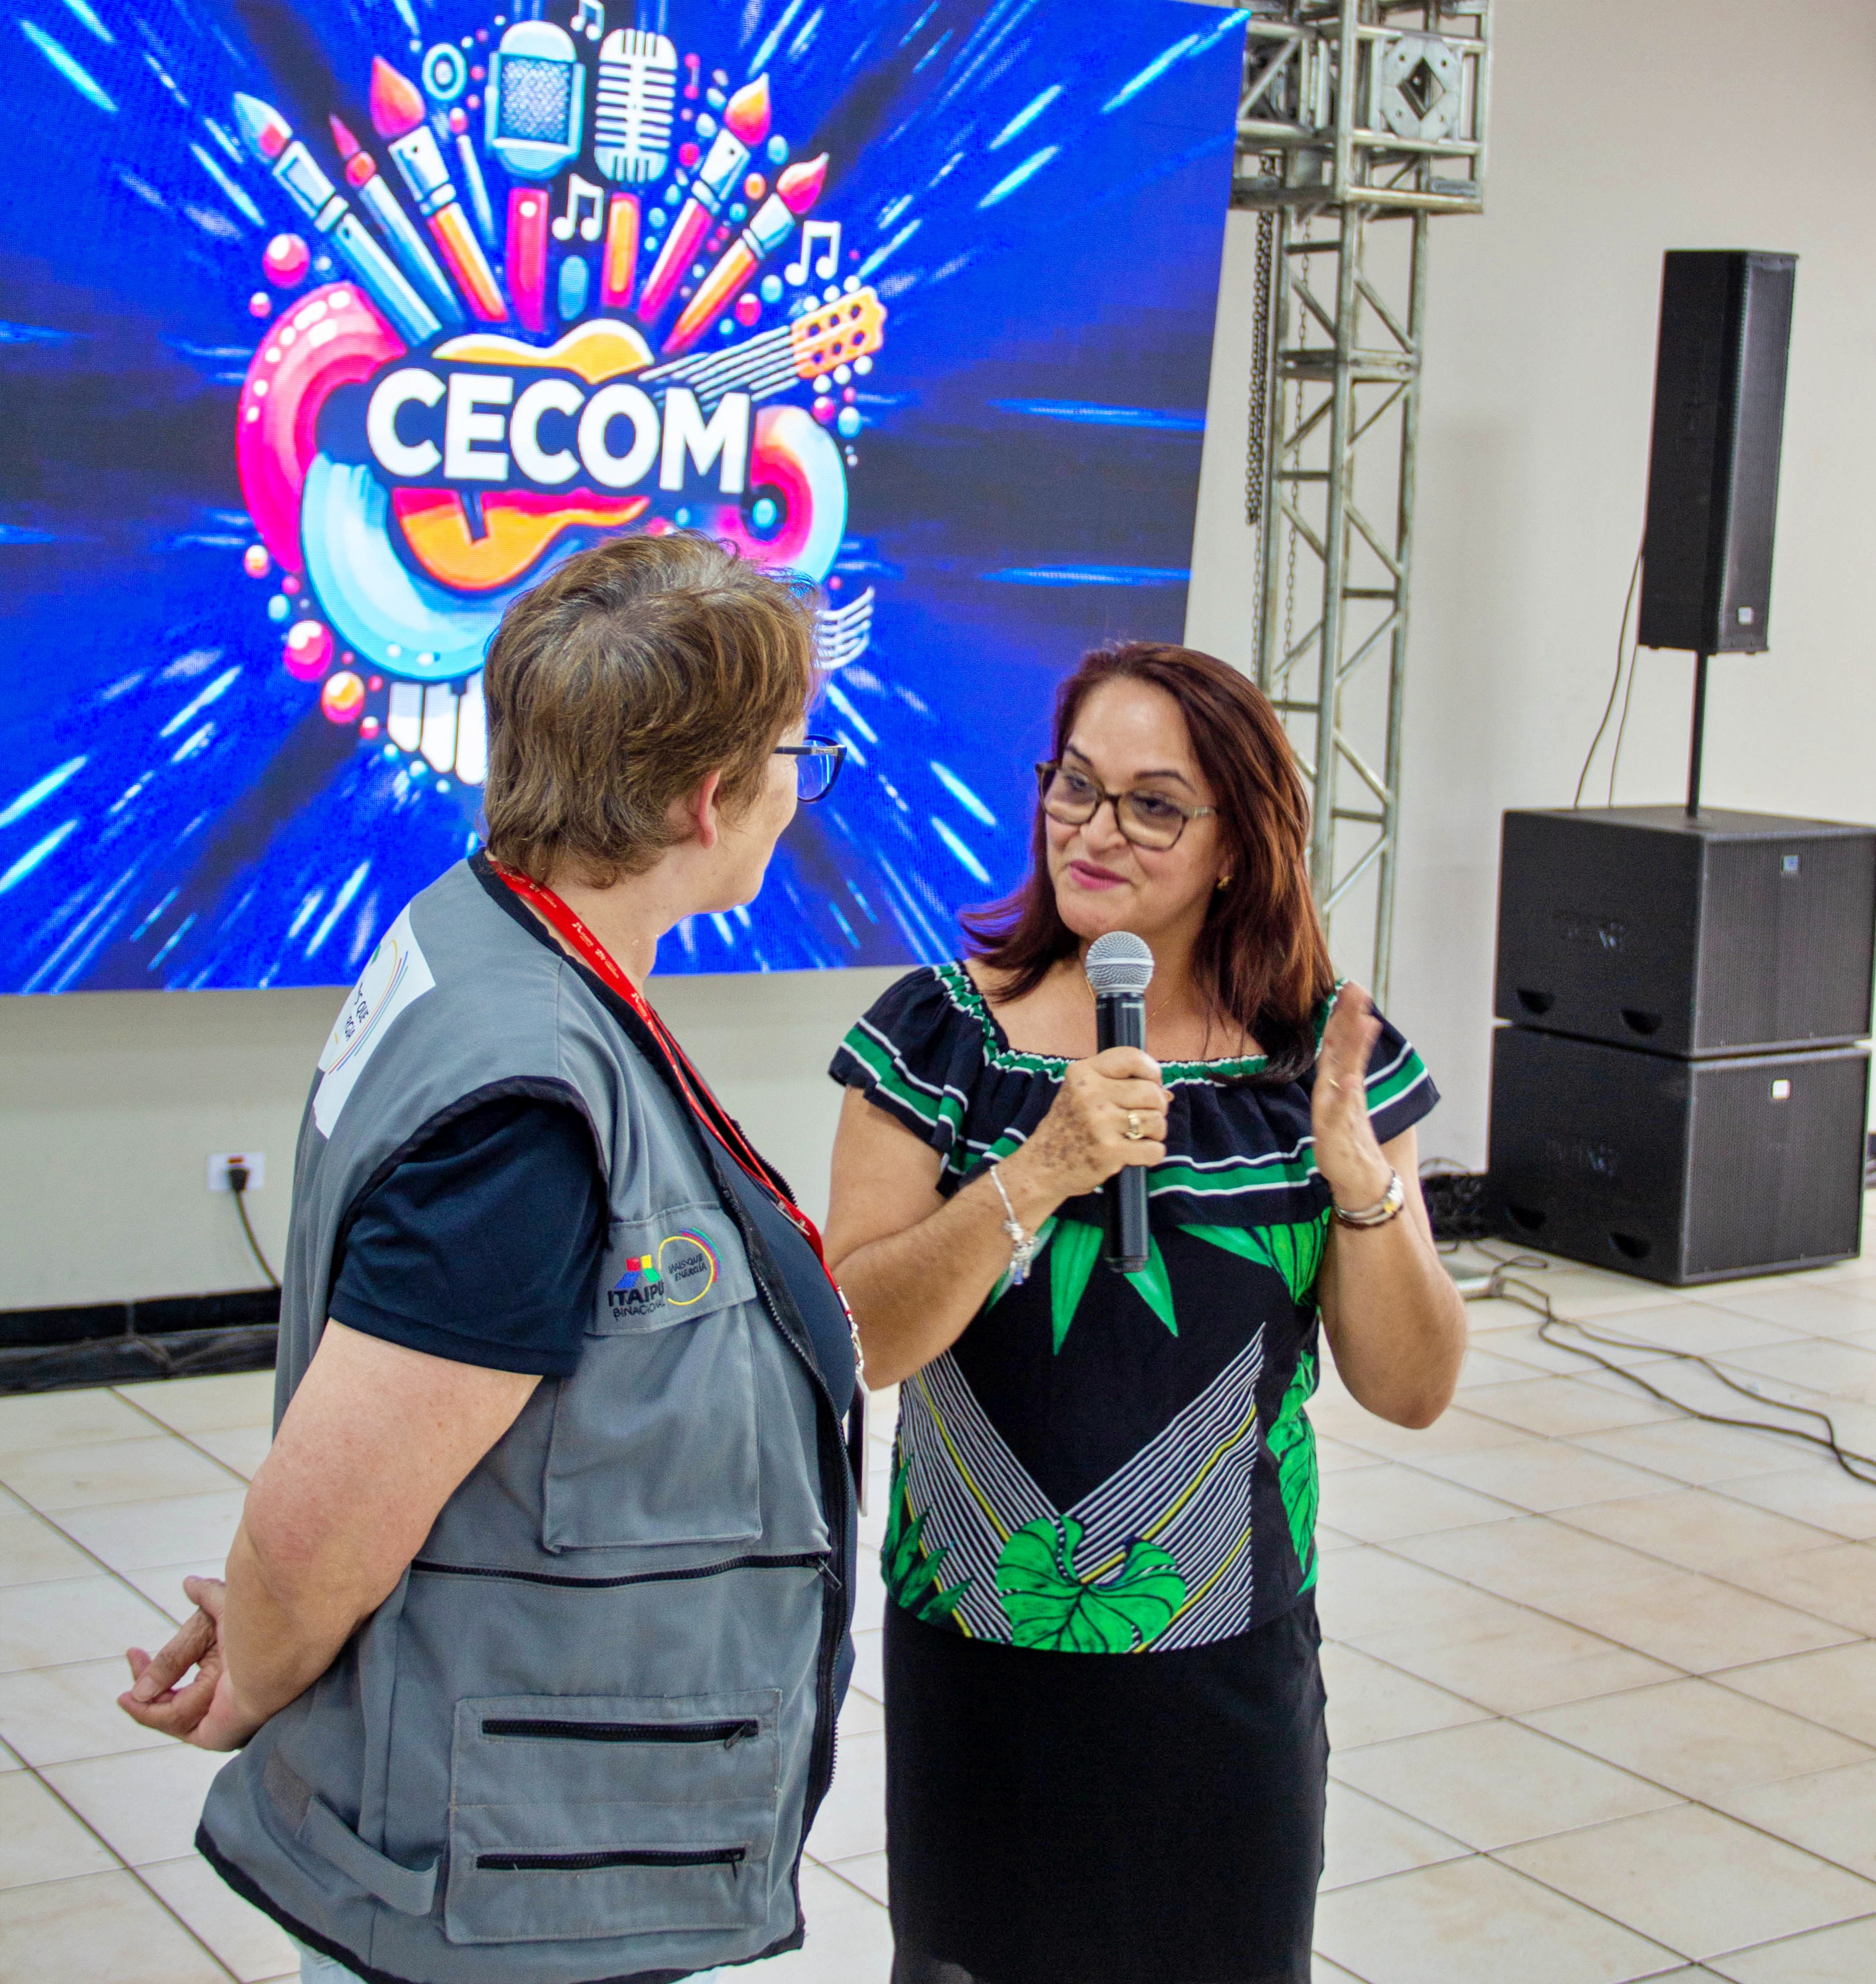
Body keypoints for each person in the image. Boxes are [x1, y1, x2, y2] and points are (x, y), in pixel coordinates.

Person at [118, 533, 861, 1984]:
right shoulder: (528, 1101)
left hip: (533, 1812)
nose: (798, 790)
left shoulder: (480, 933)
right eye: (794, 756)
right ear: (710, 798)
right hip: (509, 1875)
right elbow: (327, 1518)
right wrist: (258, 1665)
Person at [824, 642, 1467, 1984]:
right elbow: (860, 1339)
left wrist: (1362, 1186)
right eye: (1075, 785)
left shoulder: (1321, 1063)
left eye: (1154, 805)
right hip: (982, 1658)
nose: (1096, 830)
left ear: (1237, 845)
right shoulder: (941, 1039)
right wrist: (1039, 1171)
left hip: (1223, 1668)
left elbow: (1412, 1388)